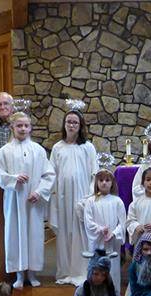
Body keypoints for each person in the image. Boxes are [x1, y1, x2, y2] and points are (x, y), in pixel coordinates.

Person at [0, 112, 56, 289]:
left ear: (30, 128)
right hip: (14, 200)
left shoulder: (38, 150)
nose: (23, 129)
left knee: (34, 234)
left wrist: (40, 191)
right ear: (12, 127)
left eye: (26, 125)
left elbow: (49, 174)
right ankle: (19, 274)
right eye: (19, 125)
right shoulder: (4, 152)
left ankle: (33, 273)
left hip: (33, 201)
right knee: (15, 233)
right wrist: (13, 179)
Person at [49, 109, 97, 286]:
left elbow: (94, 173)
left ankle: (82, 271)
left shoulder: (87, 147)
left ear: (80, 126)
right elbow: (51, 173)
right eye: (68, 122)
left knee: (81, 234)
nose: (71, 125)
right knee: (64, 233)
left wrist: (90, 196)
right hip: (62, 197)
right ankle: (66, 271)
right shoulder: (57, 148)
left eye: (74, 122)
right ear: (64, 124)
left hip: (82, 196)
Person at [83, 170, 126, 286]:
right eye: (101, 180)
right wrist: (100, 229)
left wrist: (113, 233)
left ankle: (113, 294)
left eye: (107, 180)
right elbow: (88, 221)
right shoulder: (90, 201)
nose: (104, 183)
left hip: (111, 242)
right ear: (96, 182)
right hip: (97, 241)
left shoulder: (117, 201)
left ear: (112, 183)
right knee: (96, 268)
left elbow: (122, 223)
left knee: (112, 268)